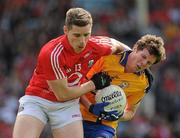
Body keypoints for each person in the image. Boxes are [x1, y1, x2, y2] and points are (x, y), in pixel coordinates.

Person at [13, 7, 128, 138]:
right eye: (77, 35)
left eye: (86, 35)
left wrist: (141, 69)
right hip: (39, 100)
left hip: (67, 106)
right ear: (66, 30)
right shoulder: (52, 53)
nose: (82, 41)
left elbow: (119, 46)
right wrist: (92, 84)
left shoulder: (97, 45)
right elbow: (62, 94)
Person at [80, 34, 166, 138]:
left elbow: (131, 111)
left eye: (148, 63)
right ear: (135, 48)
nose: (143, 63)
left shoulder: (143, 83)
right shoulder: (107, 58)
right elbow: (78, 86)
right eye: (143, 57)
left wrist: (119, 115)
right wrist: (90, 107)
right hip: (78, 115)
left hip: (105, 126)